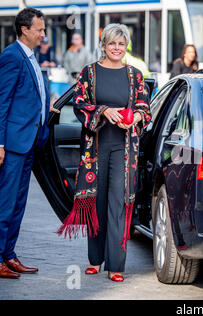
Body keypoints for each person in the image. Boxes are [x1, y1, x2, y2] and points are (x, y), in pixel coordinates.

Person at [56, 23, 152, 282]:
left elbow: (144, 106)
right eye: (112, 44)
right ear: (104, 45)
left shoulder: (135, 75)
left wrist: (136, 117)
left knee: (118, 203)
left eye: (121, 44)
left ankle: (116, 264)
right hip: (95, 148)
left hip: (124, 149)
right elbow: (79, 103)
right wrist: (103, 111)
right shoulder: (89, 72)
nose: (117, 48)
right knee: (96, 202)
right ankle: (95, 259)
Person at [0, 8, 52, 279]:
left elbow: (31, 94)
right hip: (12, 144)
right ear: (24, 30)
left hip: (30, 142)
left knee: (18, 204)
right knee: (5, 203)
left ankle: (9, 255)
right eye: (39, 29)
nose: (43, 34)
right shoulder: (11, 56)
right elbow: (2, 102)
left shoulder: (32, 57)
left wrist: (47, 107)